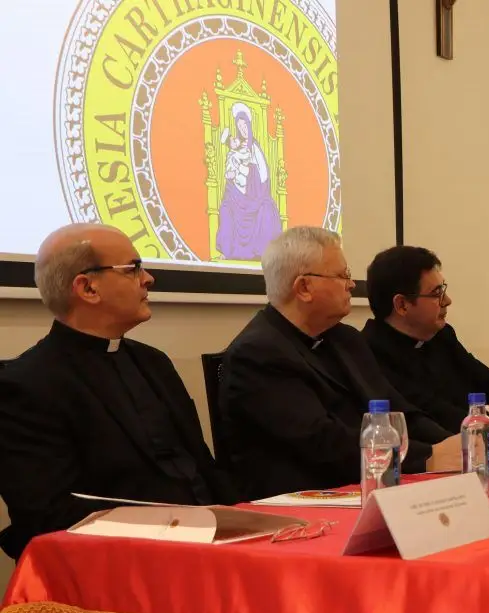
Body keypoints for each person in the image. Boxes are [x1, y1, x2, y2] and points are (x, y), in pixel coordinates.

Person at [0, 224, 236, 560]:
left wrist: (247, 519)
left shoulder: (154, 362)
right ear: (88, 288)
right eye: (133, 269)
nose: (148, 278)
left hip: (213, 546)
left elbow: (202, 467)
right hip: (126, 562)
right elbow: (48, 515)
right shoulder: (27, 385)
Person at [219, 228, 461, 500]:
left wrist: (452, 444)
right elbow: (323, 441)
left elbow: (397, 410)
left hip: (364, 485)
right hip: (301, 501)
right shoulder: (257, 354)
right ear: (304, 288)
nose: (352, 284)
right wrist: (428, 456)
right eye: (343, 275)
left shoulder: (345, 338)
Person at [362, 245, 489, 437]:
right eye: (436, 293)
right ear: (402, 305)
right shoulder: (367, 351)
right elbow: (428, 410)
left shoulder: (441, 336)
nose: (447, 301)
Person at [216, 104, 282, 261]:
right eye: (239, 126)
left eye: (244, 125)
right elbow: (230, 173)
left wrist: (250, 173)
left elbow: (264, 174)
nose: (243, 129)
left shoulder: (254, 146)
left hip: (256, 195)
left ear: (249, 125)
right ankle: (228, 251)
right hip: (236, 196)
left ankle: (263, 253)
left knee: (267, 209)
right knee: (226, 209)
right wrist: (231, 177)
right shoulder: (234, 148)